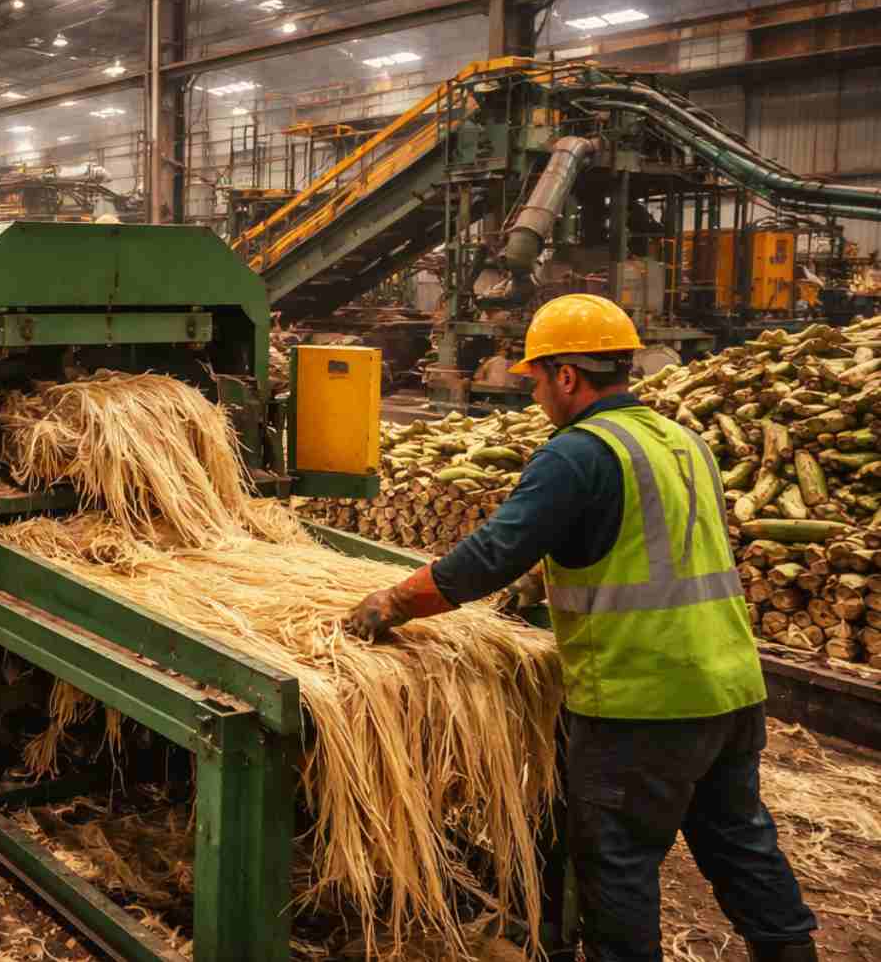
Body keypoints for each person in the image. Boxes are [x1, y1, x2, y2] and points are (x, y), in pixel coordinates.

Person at [345, 295, 817, 962]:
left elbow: (486, 556)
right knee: (738, 839)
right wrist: (541, 584)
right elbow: (642, 538)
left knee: (617, 859)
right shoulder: (682, 440)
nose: (533, 391)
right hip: (732, 688)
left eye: (535, 377)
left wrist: (391, 603)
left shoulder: (577, 453)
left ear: (568, 376)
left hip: (641, 702)